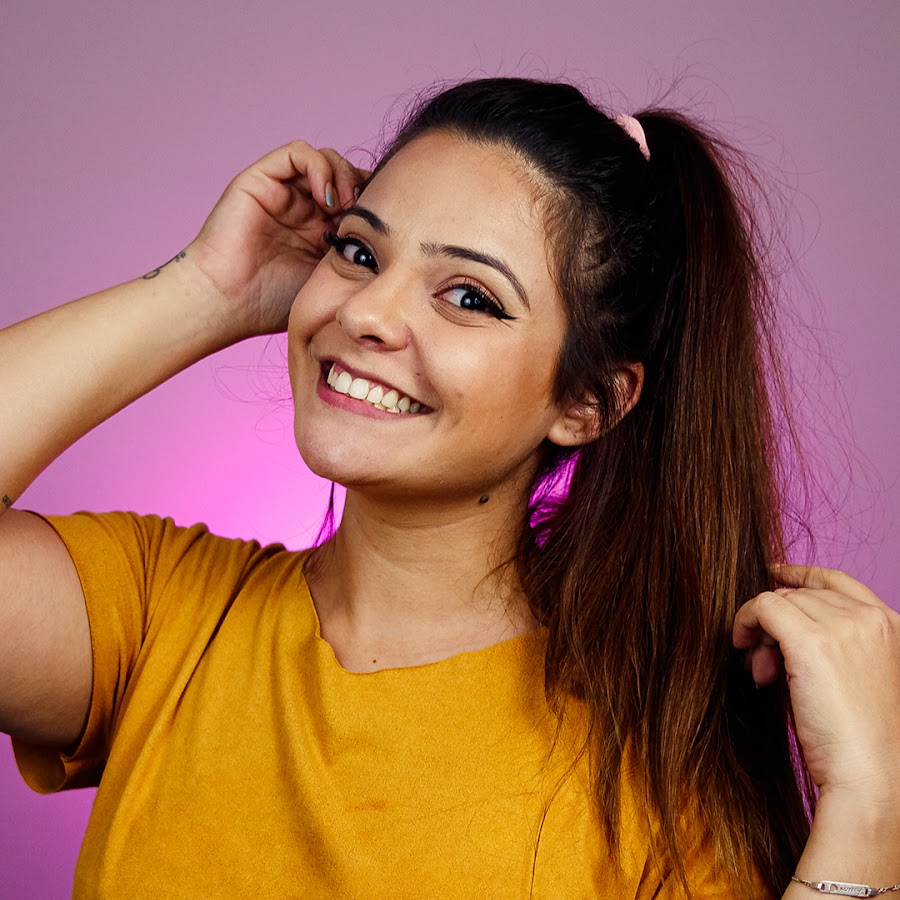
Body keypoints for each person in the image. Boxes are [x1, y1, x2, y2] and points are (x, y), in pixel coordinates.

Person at [1, 77, 897, 899]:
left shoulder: (655, 769)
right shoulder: (163, 613)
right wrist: (205, 290)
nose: (366, 313)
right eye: (358, 252)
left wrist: (871, 808)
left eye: (469, 297)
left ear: (587, 403)